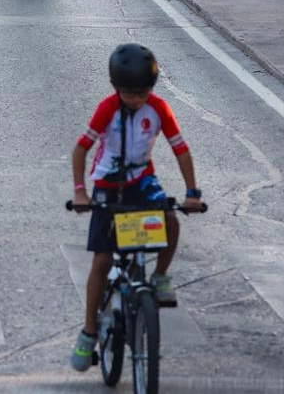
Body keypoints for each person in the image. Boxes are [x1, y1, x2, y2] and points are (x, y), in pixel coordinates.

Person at [69, 44, 201, 373]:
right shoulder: (106, 109)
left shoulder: (158, 108)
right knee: (102, 259)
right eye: (129, 93)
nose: (136, 99)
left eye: (142, 93)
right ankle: (88, 332)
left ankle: (158, 276)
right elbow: (81, 149)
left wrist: (192, 192)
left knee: (170, 219)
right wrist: (81, 193)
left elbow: (180, 149)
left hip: (142, 182)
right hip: (107, 186)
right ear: (116, 88)